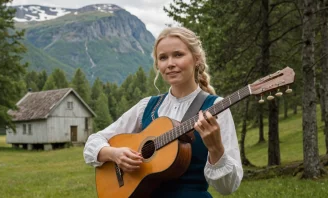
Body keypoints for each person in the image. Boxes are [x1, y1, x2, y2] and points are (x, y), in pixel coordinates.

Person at [83, 26, 243, 197]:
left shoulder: (216, 108)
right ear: (158, 65)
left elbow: (228, 187)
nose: (170, 63)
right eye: (163, 58)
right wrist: (114, 154)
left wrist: (216, 148)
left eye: (178, 55)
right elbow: (94, 142)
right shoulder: (147, 106)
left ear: (196, 59)